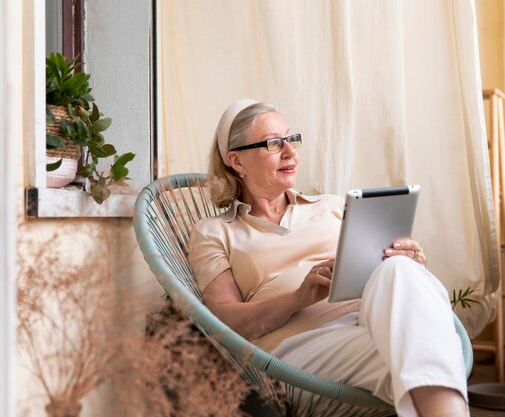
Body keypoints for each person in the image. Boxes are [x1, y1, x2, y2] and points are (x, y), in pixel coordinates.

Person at [188, 99, 469, 417]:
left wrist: (408, 261)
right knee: (427, 352)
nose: (291, 153)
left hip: (372, 321)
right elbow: (224, 322)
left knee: (400, 278)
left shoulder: (332, 206)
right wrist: (297, 298)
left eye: (291, 139)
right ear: (236, 161)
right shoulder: (213, 232)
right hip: (296, 353)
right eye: (273, 144)